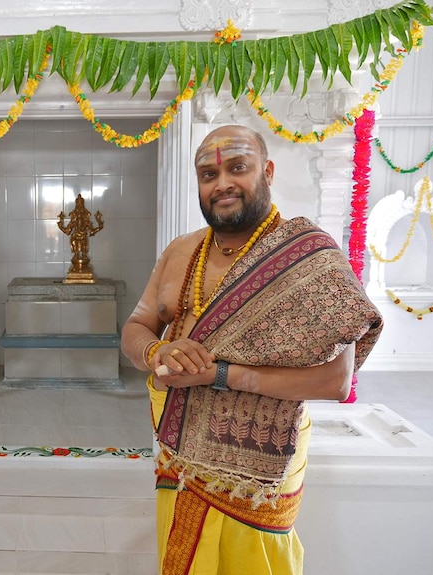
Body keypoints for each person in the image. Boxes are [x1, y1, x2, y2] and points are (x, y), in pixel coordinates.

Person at [120, 124, 382, 574]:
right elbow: (138, 325)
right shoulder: (180, 251)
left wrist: (220, 374)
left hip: (260, 469)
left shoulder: (309, 258)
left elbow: (336, 382)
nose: (222, 183)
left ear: (268, 171)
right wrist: (155, 354)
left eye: (237, 167)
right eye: (208, 174)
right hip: (178, 449)